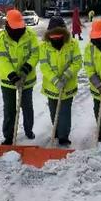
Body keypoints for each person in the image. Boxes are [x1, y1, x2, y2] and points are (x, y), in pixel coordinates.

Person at [0, 9, 39, 145]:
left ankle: (28, 130)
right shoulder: (1, 39)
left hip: (27, 79)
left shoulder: (30, 35)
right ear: (7, 24)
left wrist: (26, 70)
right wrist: (14, 77)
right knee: (9, 108)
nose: (18, 30)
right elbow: (3, 60)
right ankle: (9, 136)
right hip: (8, 81)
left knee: (27, 106)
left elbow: (35, 54)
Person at [39, 16, 82, 146]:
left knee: (64, 111)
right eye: (53, 36)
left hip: (67, 86)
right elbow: (44, 66)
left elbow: (77, 62)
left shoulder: (72, 44)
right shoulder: (44, 46)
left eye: (59, 35)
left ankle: (63, 136)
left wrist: (66, 76)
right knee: (54, 112)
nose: (56, 38)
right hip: (51, 86)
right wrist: (55, 80)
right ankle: (57, 131)